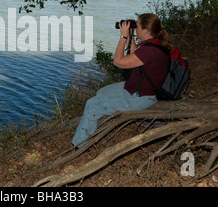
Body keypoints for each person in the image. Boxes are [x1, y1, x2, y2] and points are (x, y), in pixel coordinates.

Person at [72, 13, 172, 148]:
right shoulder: (153, 44)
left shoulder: (149, 51)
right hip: (136, 88)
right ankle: (101, 124)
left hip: (139, 97)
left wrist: (123, 36)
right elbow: (135, 54)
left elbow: (118, 61)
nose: (135, 28)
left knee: (91, 105)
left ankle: (80, 146)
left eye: (137, 26)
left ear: (146, 31)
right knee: (102, 92)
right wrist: (131, 36)